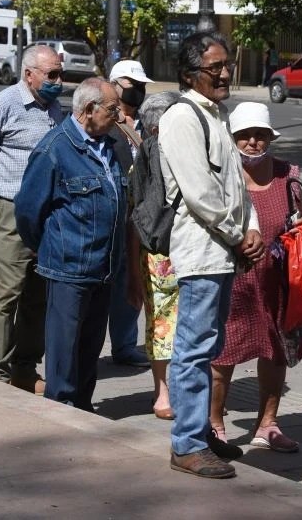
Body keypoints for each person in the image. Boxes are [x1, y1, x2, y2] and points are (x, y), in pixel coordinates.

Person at [159, 31, 264, 479]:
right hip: (203, 252)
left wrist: (252, 228)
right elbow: (201, 193)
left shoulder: (215, 115)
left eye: (227, 65)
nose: (224, 74)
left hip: (223, 252)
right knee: (194, 349)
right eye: (214, 67)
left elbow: (236, 187)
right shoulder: (182, 118)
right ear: (189, 75)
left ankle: (200, 436)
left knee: (210, 346)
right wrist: (239, 234)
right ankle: (187, 443)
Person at [14, 77, 127, 411]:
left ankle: (83, 407)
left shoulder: (109, 146)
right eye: (112, 108)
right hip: (68, 268)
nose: (119, 114)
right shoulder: (54, 149)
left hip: (104, 268)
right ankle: (60, 409)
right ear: (89, 110)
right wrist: (49, 246)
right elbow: (28, 210)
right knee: (64, 349)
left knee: (90, 348)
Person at [209, 101, 302, 454]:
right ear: (232, 138)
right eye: (244, 136)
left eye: (260, 135)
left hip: (277, 284)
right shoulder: (220, 175)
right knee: (222, 354)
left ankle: (267, 425)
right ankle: (215, 424)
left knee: (275, 353)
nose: (252, 142)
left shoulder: (287, 176)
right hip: (233, 283)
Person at [0, 44, 64, 394]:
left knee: (37, 293)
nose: (58, 81)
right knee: (8, 290)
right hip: (8, 208)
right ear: (29, 74)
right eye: (51, 74)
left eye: (59, 73)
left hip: (45, 214)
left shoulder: (54, 108)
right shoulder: (3, 104)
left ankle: (24, 367)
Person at [127, 90, 182, 420]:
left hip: (188, 250)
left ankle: (177, 388)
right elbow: (134, 218)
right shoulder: (147, 158)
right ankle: (162, 391)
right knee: (162, 324)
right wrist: (133, 273)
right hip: (158, 255)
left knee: (183, 323)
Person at [106, 58, 153, 368]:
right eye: (131, 85)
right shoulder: (104, 122)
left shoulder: (148, 124)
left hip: (141, 215)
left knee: (132, 277)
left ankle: (124, 345)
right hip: (113, 212)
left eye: (141, 87)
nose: (137, 91)